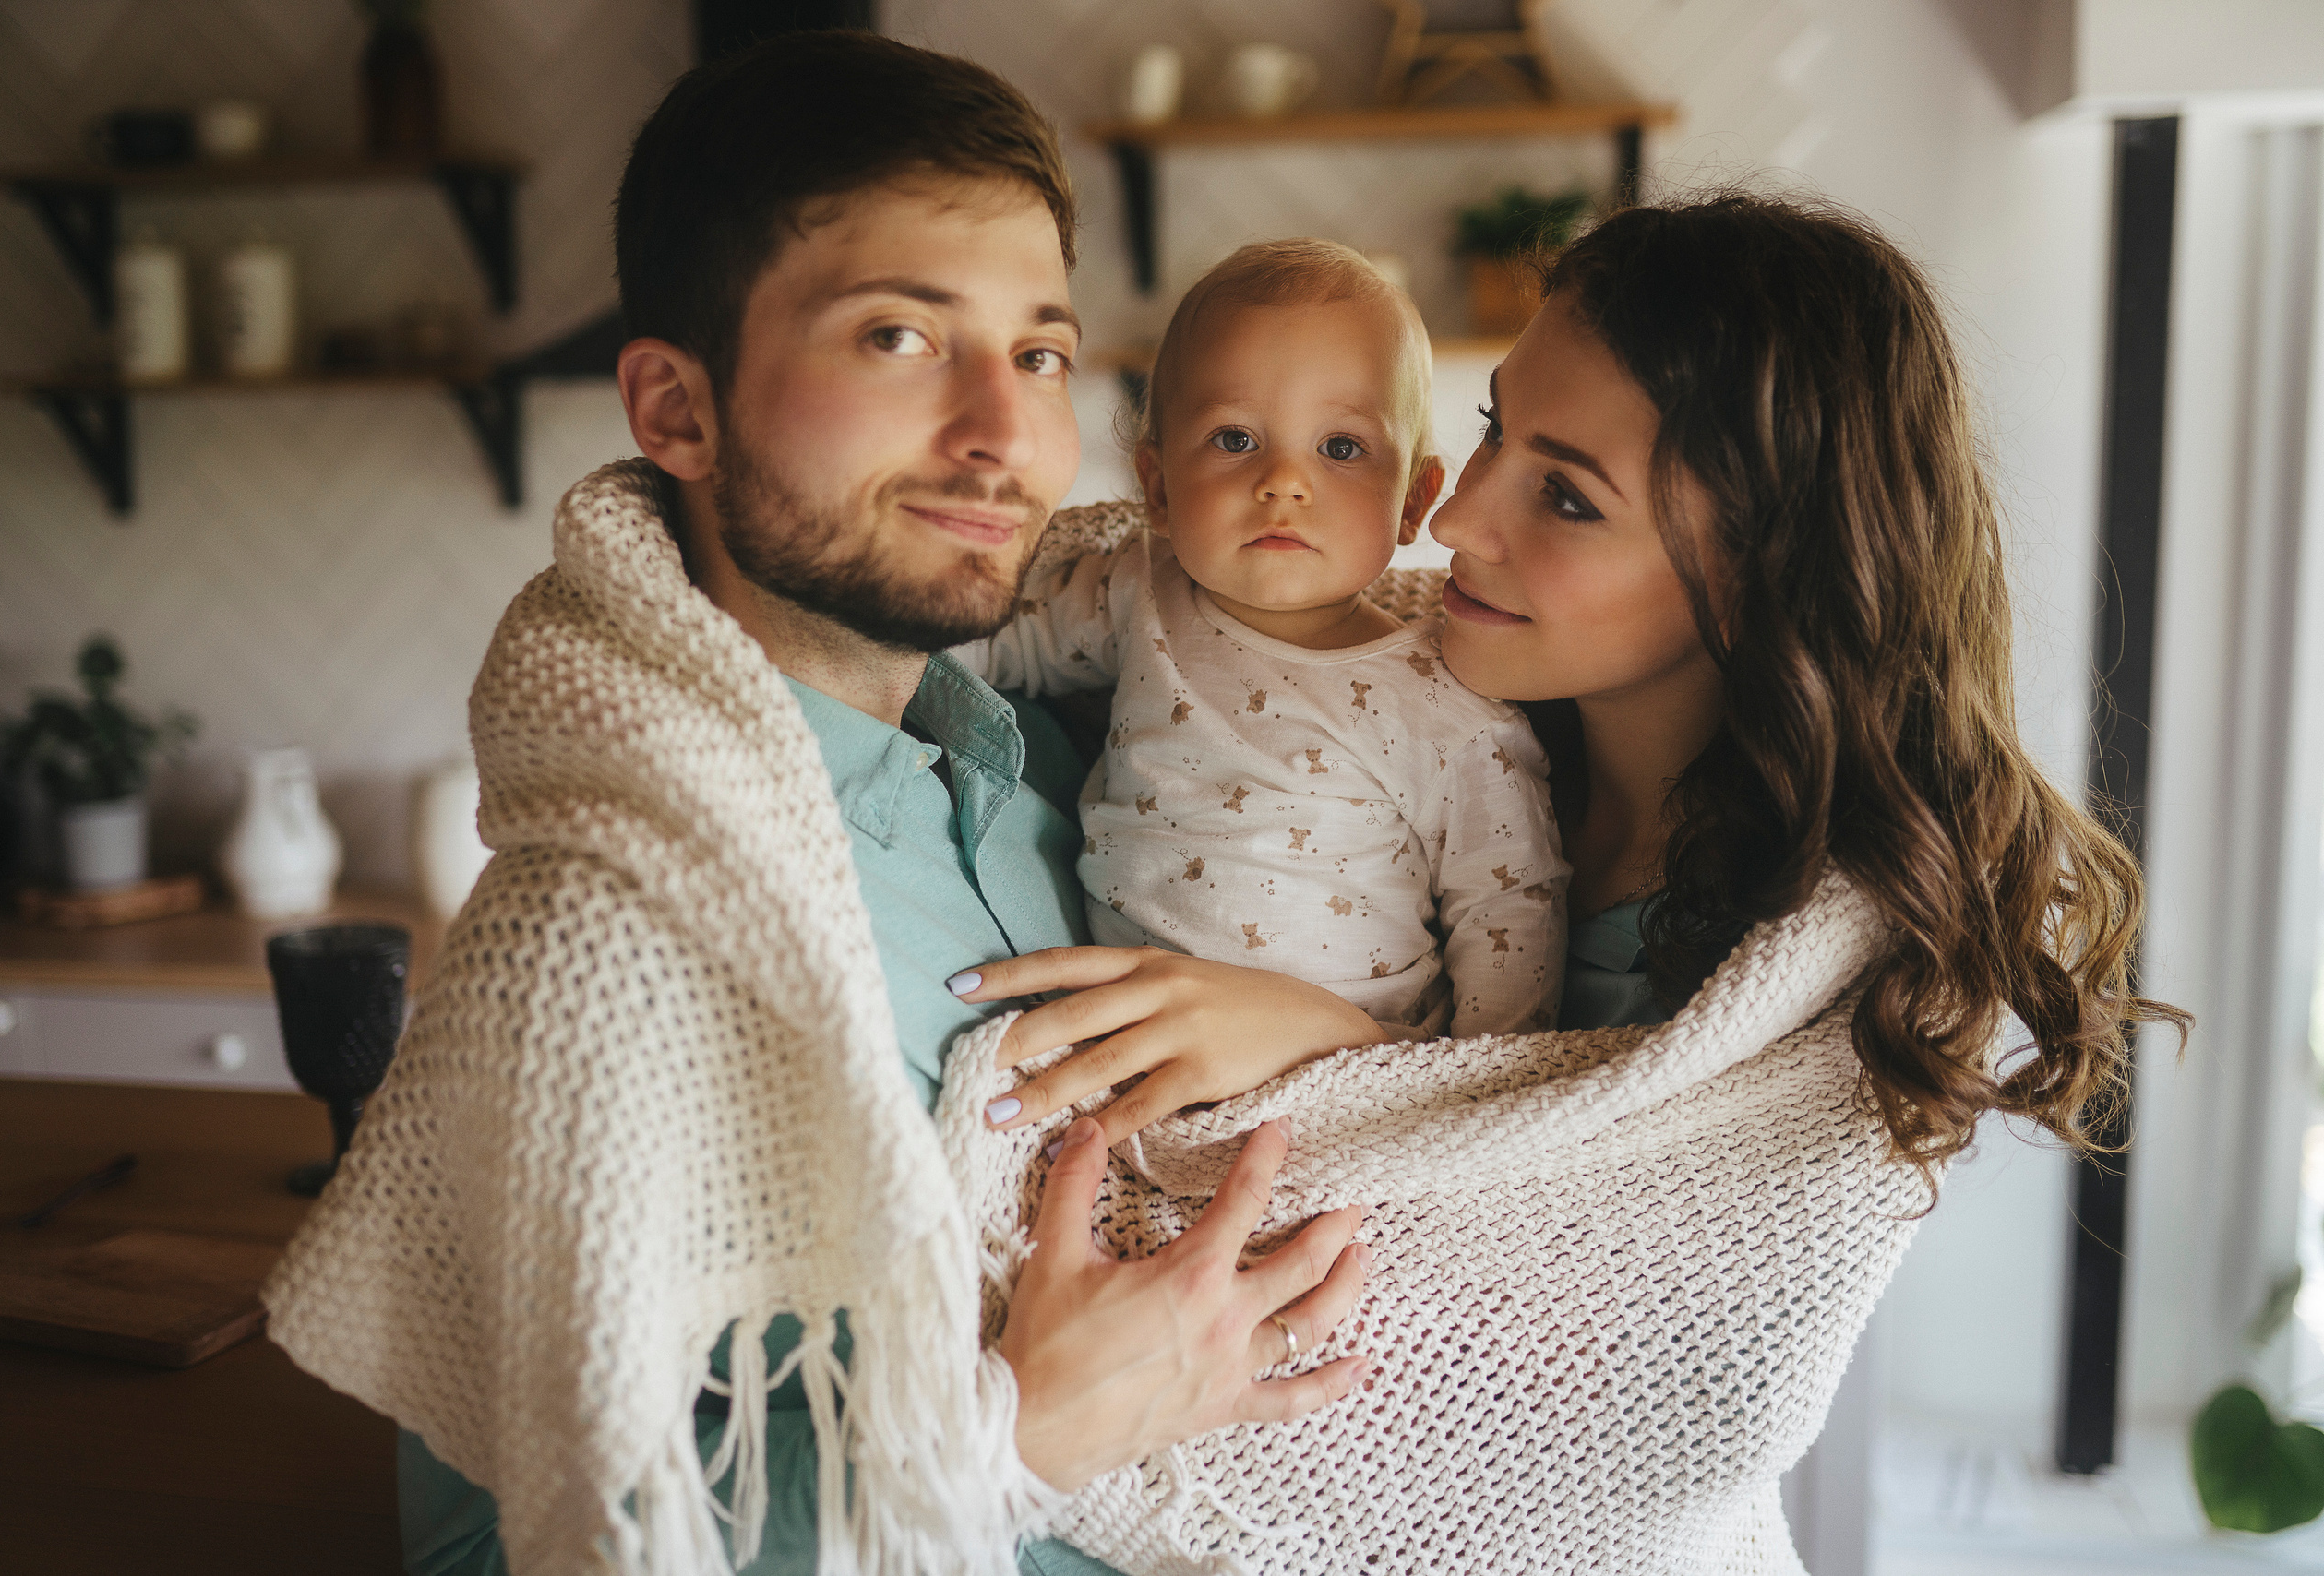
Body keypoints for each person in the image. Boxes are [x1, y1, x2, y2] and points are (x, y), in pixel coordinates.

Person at [260, 33, 1379, 1576]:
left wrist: (1326, 1028)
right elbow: (494, 1551)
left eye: (1041, 352)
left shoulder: (1080, 763)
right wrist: (1018, 1435)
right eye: (901, 341)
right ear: (679, 411)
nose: (1004, 432)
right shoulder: (591, 942)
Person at [941, 195, 2188, 1570]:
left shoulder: (1822, 986)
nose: (1457, 517)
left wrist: (1333, 1047)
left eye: (1567, 493)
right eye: (1490, 432)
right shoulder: (1366, 682)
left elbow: (1581, 1396)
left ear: (1759, 574)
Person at [953, 237, 1567, 1063]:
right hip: (1124, 1042)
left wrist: (1469, 1096)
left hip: (1346, 1071)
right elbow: (985, 642)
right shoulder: (1138, 589)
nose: (1284, 481)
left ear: (1414, 500)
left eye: (1341, 448)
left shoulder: (1449, 706)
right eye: (1235, 439)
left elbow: (1510, 915)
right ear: (1159, 488)